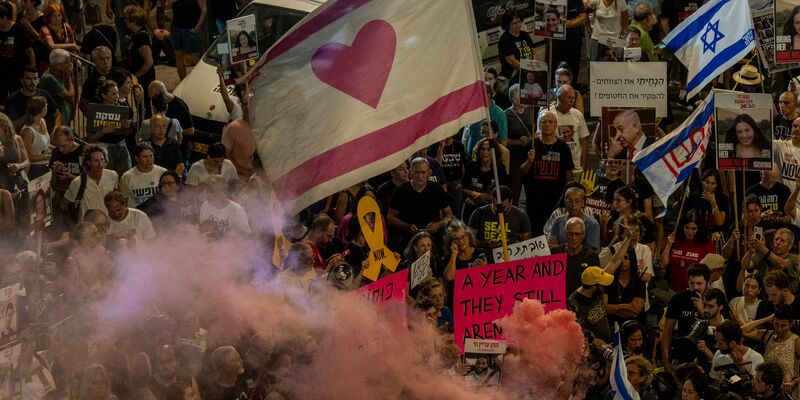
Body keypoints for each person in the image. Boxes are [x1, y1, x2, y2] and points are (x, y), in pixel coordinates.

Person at [521, 111, 574, 235]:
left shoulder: (563, 147)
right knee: (536, 231)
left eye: (551, 122)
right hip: (535, 198)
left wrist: (565, 197)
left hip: (556, 198)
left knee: (555, 232)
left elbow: (569, 174)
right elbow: (522, 172)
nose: (547, 125)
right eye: (544, 122)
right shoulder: (531, 144)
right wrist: (529, 160)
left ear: (556, 125)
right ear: (539, 125)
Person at [387, 157, 453, 247]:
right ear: (410, 172)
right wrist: (406, 226)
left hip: (433, 241)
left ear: (429, 174)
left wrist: (438, 224)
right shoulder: (401, 190)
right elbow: (390, 217)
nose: (420, 176)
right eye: (416, 172)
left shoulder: (437, 189)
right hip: (409, 241)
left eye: (423, 172)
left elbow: (449, 215)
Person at [742, 305, 800, 399]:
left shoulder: (796, 341)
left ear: (791, 324)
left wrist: (794, 382)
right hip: (768, 392)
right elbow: (743, 330)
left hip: (787, 392)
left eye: (784, 325)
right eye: (776, 324)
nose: (779, 329)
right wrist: (767, 318)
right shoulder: (767, 335)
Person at [661, 263, 710, 373]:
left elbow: (719, 327)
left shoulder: (714, 299)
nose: (695, 287)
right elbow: (667, 331)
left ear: (707, 283)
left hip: (707, 353)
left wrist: (702, 310)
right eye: (692, 283)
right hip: (683, 353)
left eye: (699, 283)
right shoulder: (678, 299)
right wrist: (666, 361)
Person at [661, 211, 716, 293]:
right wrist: (668, 245)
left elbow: (712, 271)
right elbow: (663, 264)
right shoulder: (674, 240)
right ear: (682, 227)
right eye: (687, 228)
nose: (690, 232)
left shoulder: (706, 244)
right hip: (673, 290)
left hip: (696, 291)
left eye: (694, 229)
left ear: (699, 228)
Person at [62, 144, 119, 221]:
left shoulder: (112, 175)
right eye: (96, 161)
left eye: (102, 159)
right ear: (88, 162)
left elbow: (118, 197)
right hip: (87, 228)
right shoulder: (78, 182)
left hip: (108, 225)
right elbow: (64, 204)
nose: (100, 165)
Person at [467, 185, 531, 252]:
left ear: (511, 202)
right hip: (485, 255)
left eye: (504, 207)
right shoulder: (478, 213)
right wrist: (484, 243)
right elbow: (470, 241)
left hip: (510, 256)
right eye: (497, 206)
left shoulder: (521, 215)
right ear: (492, 199)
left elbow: (527, 243)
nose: (500, 211)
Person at [544, 84, 589, 173]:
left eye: (573, 98)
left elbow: (583, 141)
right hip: (554, 167)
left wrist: (583, 165)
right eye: (569, 98)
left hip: (575, 168)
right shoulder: (547, 114)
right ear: (560, 98)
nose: (572, 101)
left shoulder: (577, 115)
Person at [461, 137, 508, 220]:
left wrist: (486, 197)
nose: (485, 152)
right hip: (471, 210)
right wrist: (470, 195)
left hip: (491, 211)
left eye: (489, 149)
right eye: (482, 149)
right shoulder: (472, 166)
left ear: (494, 152)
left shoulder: (499, 170)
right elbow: (463, 187)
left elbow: (504, 192)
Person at [5, 65, 60, 133]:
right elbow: (9, 127)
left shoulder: (44, 94)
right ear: (22, 81)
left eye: (35, 78)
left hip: (44, 135)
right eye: (28, 79)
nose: (32, 82)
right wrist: (29, 114)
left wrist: (54, 132)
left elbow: (58, 115)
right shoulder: (13, 99)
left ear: (38, 80)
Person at [602, 241, 645, 326]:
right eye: (620, 258)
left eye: (626, 258)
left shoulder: (639, 283)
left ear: (632, 260)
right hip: (611, 325)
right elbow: (604, 309)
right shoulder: (609, 280)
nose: (622, 261)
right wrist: (624, 307)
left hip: (633, 326)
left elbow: (634, 312)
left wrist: (613, 309)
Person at [568, 266, 614, 344]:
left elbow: (614, 262)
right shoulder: (574, 304)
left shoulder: (595, 293)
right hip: (594, 350)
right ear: (593, 286)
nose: (604, 287)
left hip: (607, 344)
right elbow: (577, 329)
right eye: (602, 285)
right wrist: (593, 340)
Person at [742, 228, 798, 292]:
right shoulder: (762, 254)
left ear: (789, 246)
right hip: (766, 298)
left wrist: (761, 248)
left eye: (782, 241)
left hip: (786, 298)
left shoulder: (794, 258)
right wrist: (751, 251)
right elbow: (745, 266)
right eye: (776, 239)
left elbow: (781, 264)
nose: (777, 242)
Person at [0, 1, 35, 103]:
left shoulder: (19, 30)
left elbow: (29, 50)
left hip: (17, 73)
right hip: (1, 74)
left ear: (5, 18)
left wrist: (32, 69)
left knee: (17, 100)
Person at [504, 83, 533, 202]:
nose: (526, 97)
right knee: (515, 189)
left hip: (529, 156)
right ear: (515, 100)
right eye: (523, 95)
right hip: (514, 159)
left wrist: (531, 139)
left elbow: (535, 130)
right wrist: (517, 142)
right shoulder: (506, 114)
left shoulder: (529, 111)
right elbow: (503, 140)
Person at [123, 5, 155, 110]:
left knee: (144, 107)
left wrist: (135, 76)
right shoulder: (135, 34)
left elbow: (149, 62)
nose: (124, 21)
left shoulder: (142, 37)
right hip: (138, 77)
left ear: (133, 21)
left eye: (126, 19)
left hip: (144, 79)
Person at [119, 143, 167, 208]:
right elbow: (124, 201)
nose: (149, 160)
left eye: (151, 156)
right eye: (145, 157)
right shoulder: (127, 176)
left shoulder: (163, 172)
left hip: (159, 213)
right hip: (136, 213)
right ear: (137, 158)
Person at [221, 92, 255, 182]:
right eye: (244, 104)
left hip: (262, 178)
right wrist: (245, 171)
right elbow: (227, 156)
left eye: (250, 104)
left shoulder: (264, 125)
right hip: (241, 179)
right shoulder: (233, 127)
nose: (247, 107)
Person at [168, 0, 206, 79]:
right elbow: (167, 7)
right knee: (178, 56)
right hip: (176, 28)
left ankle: (199, 81)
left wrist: (197, 28)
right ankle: (182, 82)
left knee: (194, 59)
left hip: (191, 28)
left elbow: (204, 10)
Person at [38, 3, 78, 71]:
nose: (57, 18)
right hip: (49, 63)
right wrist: (71, 46)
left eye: (59, 15)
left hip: (64, 62)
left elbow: (73, 41)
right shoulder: (45, 28)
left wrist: (72, 46)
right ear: (49, 17)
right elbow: (52, 46)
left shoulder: (66, 26)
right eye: (54, 16)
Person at [20, 95, 51, 180]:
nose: (47, 108)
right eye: (46, 106)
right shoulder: (28, 132)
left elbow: (45, 144)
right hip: (35, 170)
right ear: (42, 110)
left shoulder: (42, 121)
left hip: (47, 165)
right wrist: (47, 157)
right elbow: (26, 156)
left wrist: (57, 149)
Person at [39, 49, 74, 126]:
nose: (70, 65)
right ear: (58, 66)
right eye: (67, 62)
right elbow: (70, 96)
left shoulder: (58, 74)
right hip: (55, 123)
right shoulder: (49, 79)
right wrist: (69, 77)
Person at [497, 10, 534, 81]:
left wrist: (534, 67)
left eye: (519, 21)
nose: (517, 25)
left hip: (528, 74)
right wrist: (528, 70)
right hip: (514, 78)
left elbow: (534, 52)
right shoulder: (505, 39)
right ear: (507, 25)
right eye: (513, 23)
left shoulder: (525, 35)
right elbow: (512, 61)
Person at [80, 46, 114, 112]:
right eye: (101, 59)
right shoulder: (90, 81)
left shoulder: (115, 72)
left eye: (108, 58)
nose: (106, 62)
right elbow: (82, 104)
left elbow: (130, 75)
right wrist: (92, 117)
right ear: (95, 61)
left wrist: (135, 86)